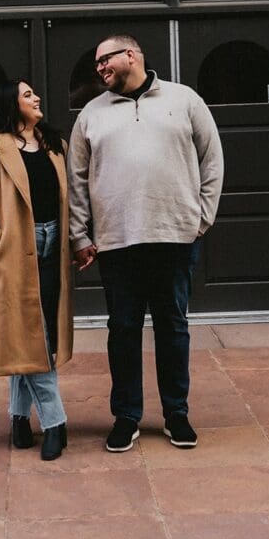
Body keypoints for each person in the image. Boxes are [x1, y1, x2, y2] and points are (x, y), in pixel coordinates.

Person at [67, 33, 224, 453]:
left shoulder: (184, 99)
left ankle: (177, 414)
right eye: (97, 63)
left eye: (105, 60)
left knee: (173, 327)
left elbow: (212, 159)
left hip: (174, 234)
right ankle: (126, 416)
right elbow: (76, 180)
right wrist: (80, 233)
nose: (99, 68)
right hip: (117, 240)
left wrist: (201, 217)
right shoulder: (91, 115)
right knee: (122, 330)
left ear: (132, 55)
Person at [0, 79, 73, 461]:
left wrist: (74, 240)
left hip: (50, 246)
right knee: (33, 337)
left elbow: (68, 197)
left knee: (24, 336)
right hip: (11, 252)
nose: (37, 98)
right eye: (28, 95)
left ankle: (17, 419)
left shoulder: (53, 144)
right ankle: (55, 421)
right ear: (12, 103)